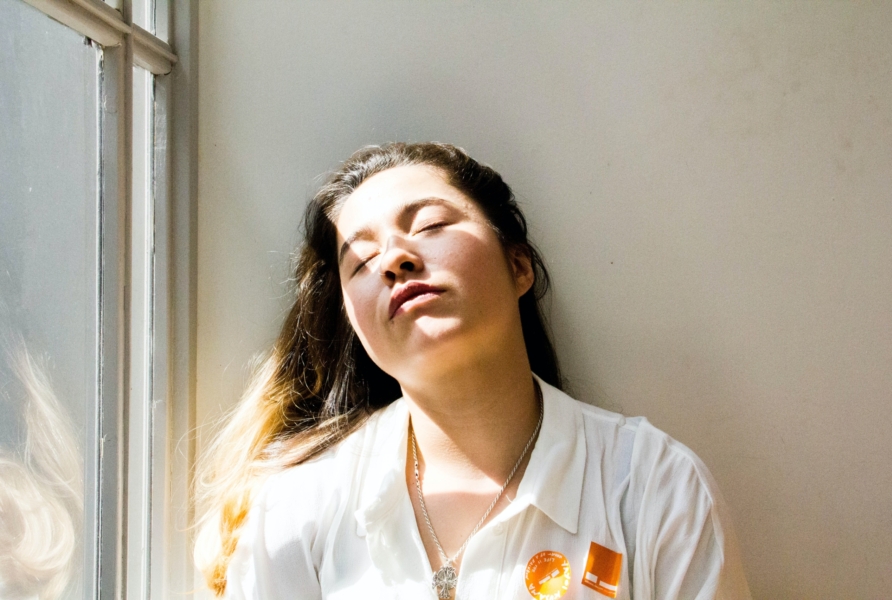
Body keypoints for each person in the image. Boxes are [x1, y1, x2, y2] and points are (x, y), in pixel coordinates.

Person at [194, 142, 752, 600]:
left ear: (518, 266)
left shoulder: (653, 488)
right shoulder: (297, 511)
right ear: (355, 324)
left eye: (430, 224)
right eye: (361, 261)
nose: (394, 259)